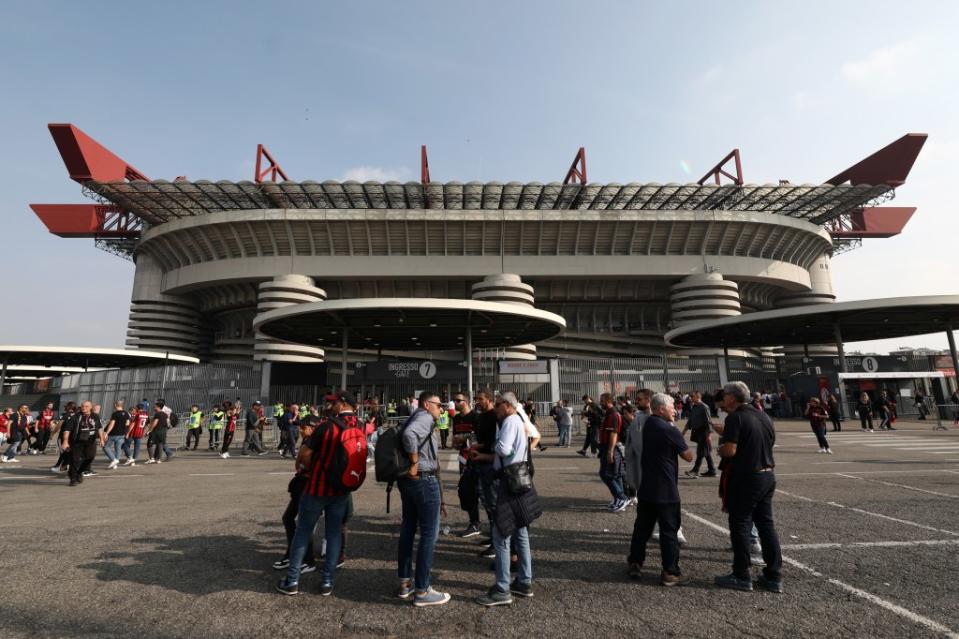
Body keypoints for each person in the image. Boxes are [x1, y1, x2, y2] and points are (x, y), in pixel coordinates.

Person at [276, 392, 362, 596]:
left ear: (342, 405)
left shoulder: (327, 426)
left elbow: (305, 454)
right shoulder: (358, 427)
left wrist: (314, 468)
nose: (332, 406)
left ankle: (292, 581)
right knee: (333, 534)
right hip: (341, 489)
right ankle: (326, 582)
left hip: (317, 487)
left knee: (303, 532)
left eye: (335, 403)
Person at [471, 392, 541, 606]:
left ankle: (502, 588)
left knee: (501, 535)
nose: (496, 410)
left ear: (507, 405)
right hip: (518, 479)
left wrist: (495, 446)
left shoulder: (510, 421)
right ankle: (524, 581)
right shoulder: (517, 420)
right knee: (520, 532)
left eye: (498, 405)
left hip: (508, 481)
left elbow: (504, 449)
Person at [714, 382, 783, 593]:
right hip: (767, 474)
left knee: (740, 524)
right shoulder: (762, 415)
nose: (723, 399)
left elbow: (730, 450)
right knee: (766, 525)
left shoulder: (736, 417)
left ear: (732, 398)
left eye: (725, 396)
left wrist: (720, 448)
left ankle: (741, 574)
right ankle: (773, 575)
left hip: (746, 477)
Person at [626, 392, 693, 586]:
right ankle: (670, 572)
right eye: (673, 407)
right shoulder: (668, 429)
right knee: (669, 531)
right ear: (661, 409)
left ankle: (635, 562)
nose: (675, 411)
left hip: (646, 486)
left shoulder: (641, 425)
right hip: (666, 489)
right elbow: (688, 456)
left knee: (641, 528)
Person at [395, 391, 450, 607]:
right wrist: (415, 461)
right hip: (423, 480)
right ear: (427, 405)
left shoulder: (415, 415)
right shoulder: (425, 417)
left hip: (409, 482)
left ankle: (405, 582)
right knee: (429, 534)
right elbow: (409, 435)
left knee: (408, 528)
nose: (441, 409)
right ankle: (423, 590)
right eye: (438, 405)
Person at [451, 392, 482, 538]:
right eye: (454, 400)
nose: (455, 403)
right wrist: (464, 439)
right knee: (467, 491)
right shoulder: (456, 418)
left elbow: (476, 439)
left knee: (481, 491)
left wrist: (464, 439)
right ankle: (474, 523)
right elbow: (454, 440)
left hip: (476, 458)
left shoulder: (476, 417)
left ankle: (492, 525)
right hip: (463, 458)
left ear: (466, 402)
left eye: (458, 400)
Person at [597, 393, 629, 512]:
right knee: (616, 474)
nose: (600, 402)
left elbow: (613, 434)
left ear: (608, 401)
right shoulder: (609, 413)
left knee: (606, 474)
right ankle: (618, 498)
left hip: (611, 447)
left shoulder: (613, 414)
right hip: (607, 447)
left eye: (602, 400)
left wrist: (610, 451)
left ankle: (622, 497)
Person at [61, 401, 103, 486]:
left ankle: (79, 472)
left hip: (90, 441)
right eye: (83, 406)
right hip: (77, 442)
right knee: (74, 460)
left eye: (87, 406)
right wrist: (65, 441)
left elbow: (99, 428)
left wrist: (102, 439)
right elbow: (67, 430)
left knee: (89, 458)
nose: (84, 408)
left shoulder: (95, 416)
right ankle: (73, 478)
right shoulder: (75, 417)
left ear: (91, 407)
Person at [683, 391, 716, 477]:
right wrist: (684, 431)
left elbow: (708, 421)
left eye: (692, 396)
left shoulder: (704, 407)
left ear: (698, 397)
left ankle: (695, 470)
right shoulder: (694, 407)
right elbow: (690, 420)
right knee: (706, 451)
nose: (690, 398)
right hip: (697, 432)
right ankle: (712, 470)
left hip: (703, 432)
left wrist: (709, 435)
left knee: (701, 451)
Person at [103, 401, 131, 469]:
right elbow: (127, 423)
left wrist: (106, 433)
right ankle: (115, 464)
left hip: (114, 433)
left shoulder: (115, 414)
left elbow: (112, 423)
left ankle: (114, 460)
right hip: (122, 434)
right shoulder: (126, 413)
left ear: (115, 405)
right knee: (117, 448)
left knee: (106, 447)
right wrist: (125, 432)